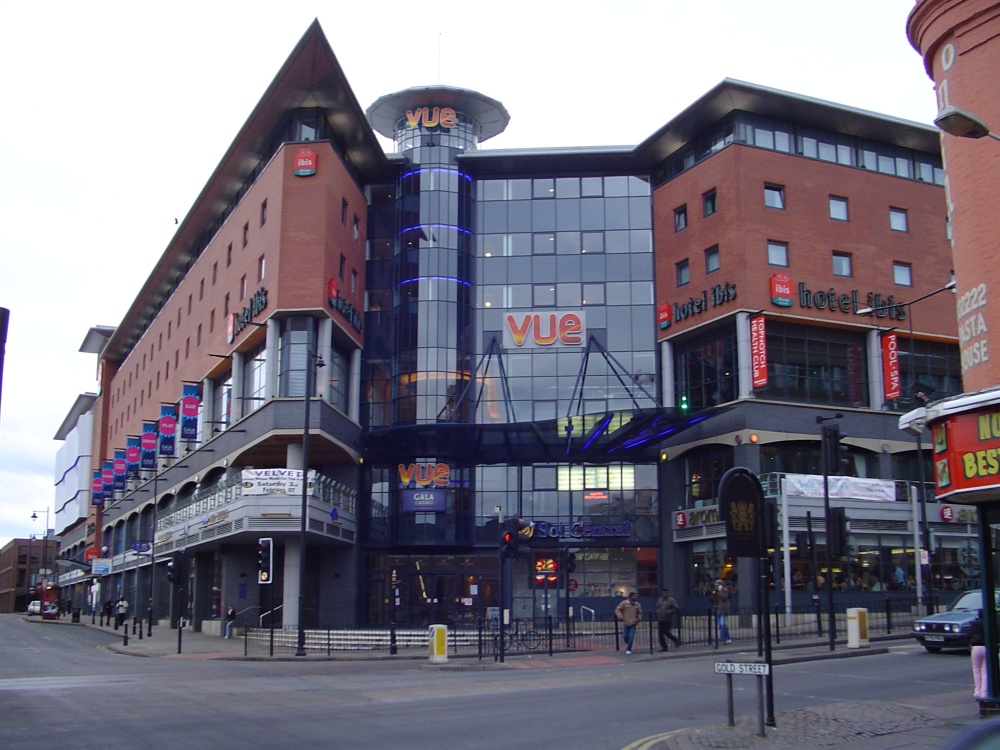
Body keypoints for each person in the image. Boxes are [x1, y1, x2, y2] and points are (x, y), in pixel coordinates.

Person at [971, 610, 987, 700]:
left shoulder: (974, 624)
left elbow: (968, 634)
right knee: (985, 671)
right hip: (986, 646)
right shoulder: (989, 623)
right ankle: (984, 692)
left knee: (976, 669)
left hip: (976, 647)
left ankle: (977, 691)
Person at [712, 579, 732, 644]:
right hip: (718, 610)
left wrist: (720, 591)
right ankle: (726, 638)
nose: (717, 587)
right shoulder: (716, 591)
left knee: (722, 624)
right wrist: (714, 594)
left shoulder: (725, 591)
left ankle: (724, 639)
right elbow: (713, 600)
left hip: (723, 610)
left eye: (718, 585)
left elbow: (724, 597)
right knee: (721, 626)